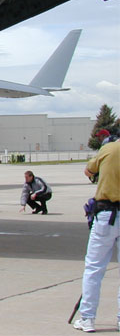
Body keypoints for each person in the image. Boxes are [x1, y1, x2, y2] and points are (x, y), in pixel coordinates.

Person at [73, 140, 119, 333]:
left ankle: (88, 318)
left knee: (94, 268)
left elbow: (89, 170)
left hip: (106, 214)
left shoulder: (109, 148)